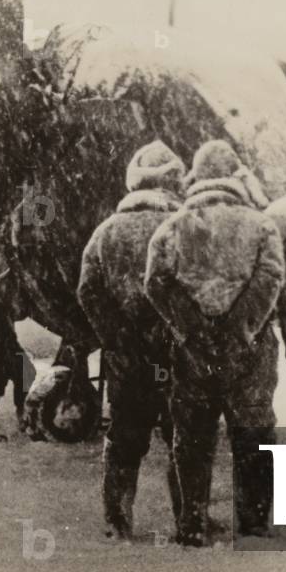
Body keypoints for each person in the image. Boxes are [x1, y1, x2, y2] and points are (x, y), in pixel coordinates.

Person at [145, 140, 286, 546]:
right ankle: (254, 522)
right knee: (254, 434)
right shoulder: (262, 225)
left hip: (192, 355)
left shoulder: (173, 226)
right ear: (234, 175)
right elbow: (272, 278)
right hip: (250, 352)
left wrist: (192, 328)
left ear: (198, 176)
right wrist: (239, 328)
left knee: (192, 438)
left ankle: (192, 522)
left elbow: (155, 282)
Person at [78, 140, 186, 539]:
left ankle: (118, 519)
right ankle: (188, 520)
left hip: (128, 357)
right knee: (183, 436)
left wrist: (117, 336)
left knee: (125, 436)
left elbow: (88, 290)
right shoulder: (186, 228)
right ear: (174, 180)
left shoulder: (106, 231)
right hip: (175, 356)